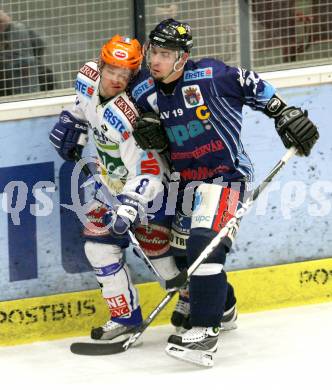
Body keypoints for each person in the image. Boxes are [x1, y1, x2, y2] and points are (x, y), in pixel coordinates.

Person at [129, 19, 319, 366]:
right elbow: (141, 123)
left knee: (205, 242)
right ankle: (225, 306)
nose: (155, 60)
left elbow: (251, 84)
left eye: (165, 54)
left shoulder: (211, 77)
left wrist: (283, 113)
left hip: (224, 177)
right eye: (153, 51)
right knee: (163, 241)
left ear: (182, 58)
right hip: (183, 182)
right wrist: (148, 129)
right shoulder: (145, 92)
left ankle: (205, 331)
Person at [49, 35, 181, 341]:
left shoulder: (129, 115)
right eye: (112, 71)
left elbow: (151, 169)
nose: (116, 80)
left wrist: (130, 203)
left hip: (148, 195)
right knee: (98, 247)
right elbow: (84, 106)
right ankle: (124, 317)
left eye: (125, 75)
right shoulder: (86, 76)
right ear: (100, 63)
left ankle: (210, 305)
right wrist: (73, 122)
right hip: (108, 186)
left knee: (162, 262)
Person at [0, 9, 54, 97]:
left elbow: (39, 46)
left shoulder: (19, 29)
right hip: (10, 75)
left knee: (46, 75)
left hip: (27, 69)